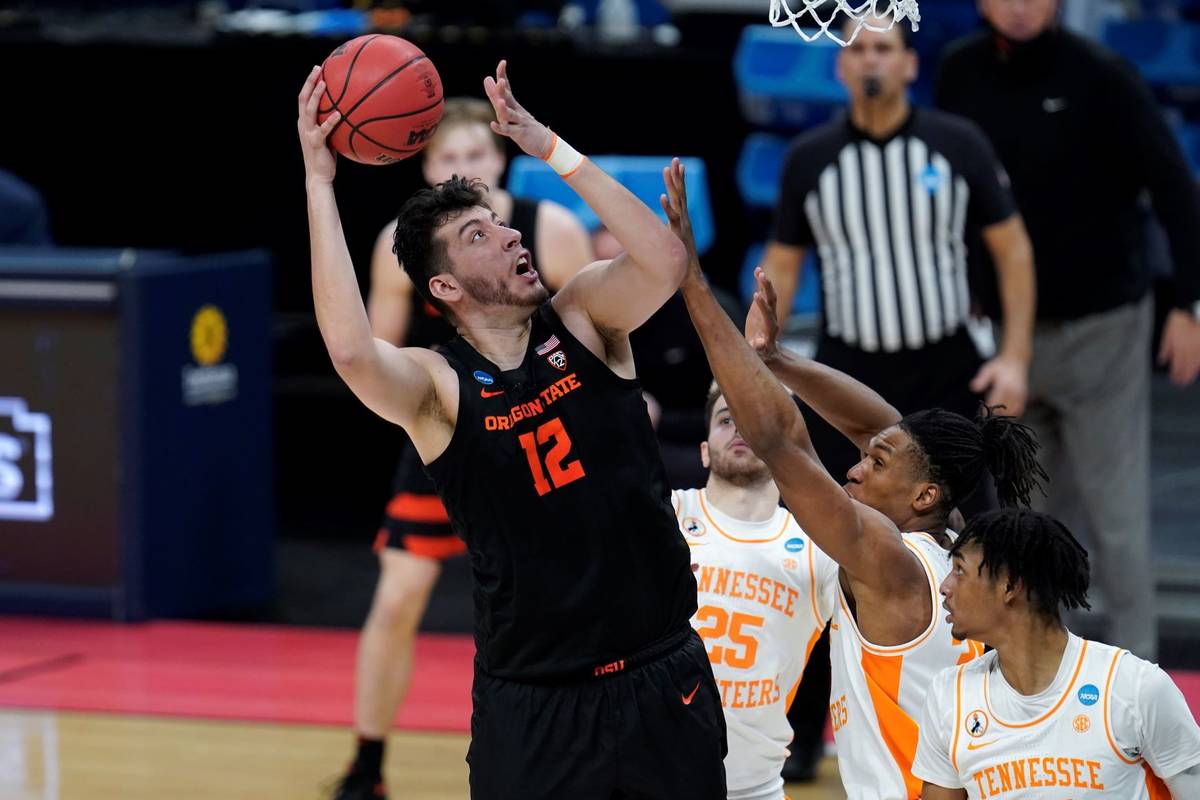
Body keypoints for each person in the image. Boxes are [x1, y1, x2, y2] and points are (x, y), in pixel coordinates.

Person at [298, 61, 726, 799]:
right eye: (477, 234)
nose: (505, 236)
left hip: (662, 673)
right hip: (535, 700)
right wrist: (318, 181)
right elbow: (351, 351)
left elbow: (665, 258)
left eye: (499, 222)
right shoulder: (436, 387)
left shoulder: (586, 315)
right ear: (444, 286)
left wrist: (550, 147)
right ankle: (367, 760)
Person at [662, 163, 1047, 800]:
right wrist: (778, 359)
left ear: (923, 496)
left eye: (875, 466)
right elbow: (884, 426)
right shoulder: (945, 537)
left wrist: (694, 283)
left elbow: (780, 439)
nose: (854, 466)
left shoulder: (886, 561)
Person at [335, 97, 593, 800]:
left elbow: (594, 339)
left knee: (556, 603)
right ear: (427, 169)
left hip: (545, 428)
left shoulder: (551, 229)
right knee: (396, 599)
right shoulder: (403, 244)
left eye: (475, 155)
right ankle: (366, 762)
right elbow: (381, 354)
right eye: (449, 159)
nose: (464, 169)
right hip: (452, 425)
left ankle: (577, 748)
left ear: (499, 159)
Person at [935, 0, 1200, 661]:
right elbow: (942, 188)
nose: (1021, 5)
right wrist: (965, 284)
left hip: (1101, 326)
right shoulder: (959, 73)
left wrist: (1186, 304)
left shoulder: (1103, 76)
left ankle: (1141, 673)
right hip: (1005, 339)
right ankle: (1045, 672)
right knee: (1033, 518)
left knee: (1116, 513)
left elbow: (1175, 187)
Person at [761, 18, 1036, 492]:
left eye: (884, 48)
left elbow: (1013, 251)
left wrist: (1014, 358)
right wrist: (759, 362)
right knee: (836, 509)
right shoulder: (809, 158)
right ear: (841, 66)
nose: (871, 58)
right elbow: (782, 267)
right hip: (847, 367)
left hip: (945, 369)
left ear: (910, 65)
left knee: (972, 516)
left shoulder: (957, 143)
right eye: (859, 48)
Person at [912, 509, 1200, 798]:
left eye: (960, 571)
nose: (944, 586)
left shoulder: (1134, 688)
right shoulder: (949, 696)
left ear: (1010, 585)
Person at [677, 384, 840, 800]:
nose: (739, 429)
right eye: (726, 419)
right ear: (703, 450)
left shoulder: (817, 549)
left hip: (756, 789)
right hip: (653, 780)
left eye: (753, 419)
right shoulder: (669, 516)